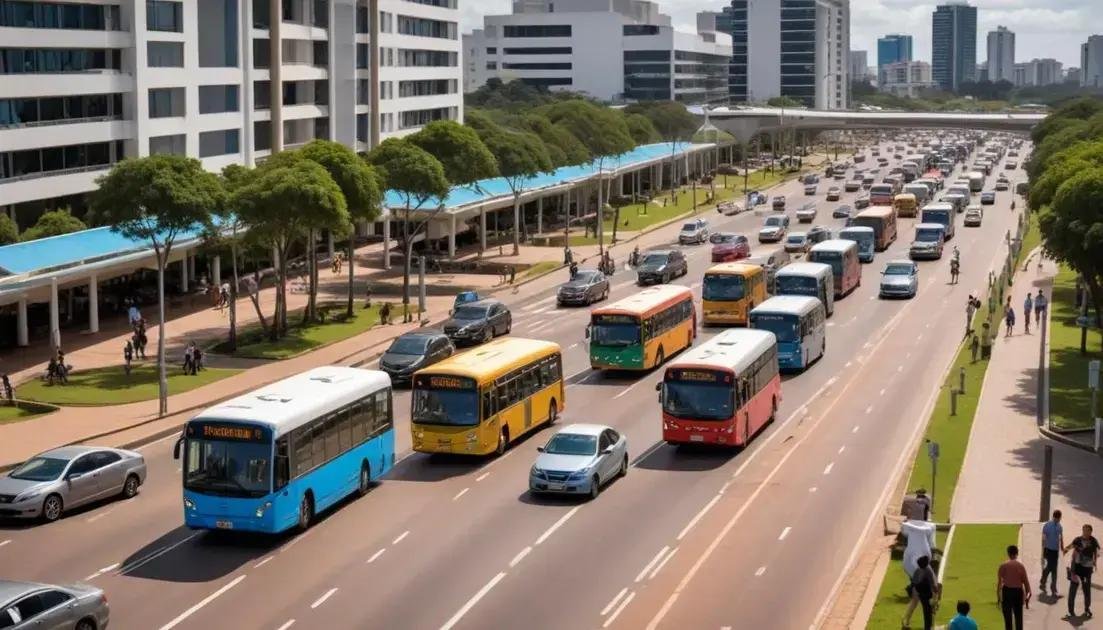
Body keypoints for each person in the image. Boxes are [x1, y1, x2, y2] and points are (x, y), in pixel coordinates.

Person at [1065, 523, 1100, 619]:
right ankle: (1071, 611)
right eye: (1084, 530)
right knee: (1072, 590)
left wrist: (1095, 561)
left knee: (1086, 590)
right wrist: (1064, 551)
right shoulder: (1077, 540)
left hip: (1087, 570)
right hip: (1076, 569)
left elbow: (1097, 551)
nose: (1085, 532)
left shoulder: (1093, 541)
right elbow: (1070, 546)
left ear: (1091, 532)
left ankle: (1087, 609)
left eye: (1087, 530)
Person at [997, 544, 1031, 630]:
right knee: (1018, 617)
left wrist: (998, 597)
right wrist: (1027, 595)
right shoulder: (1020, 566)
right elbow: (1026, 582)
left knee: (1007, 618)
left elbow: (999, 583)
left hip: (1007, 592)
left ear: (1008, 553)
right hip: (1018, 592)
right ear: (1017, 553)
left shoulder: (1003, 566)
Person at [904, 555, 939, 630]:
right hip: (924, 592)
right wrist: (936, 594)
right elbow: (933, 584)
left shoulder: (918, 569)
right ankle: (929, 627)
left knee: (914, 606)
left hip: (918, 590)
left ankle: (906, 621)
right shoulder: (927, 570)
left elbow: (914, 581)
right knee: (928, 610)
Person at [1041, 509, 1065, 596]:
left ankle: (1044, 581)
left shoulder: (1059, 526)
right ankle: (1053, 587)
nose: (1057, 520)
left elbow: (1060, 537)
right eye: (1056, 518)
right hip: (1048, 549)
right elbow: (1043, 538)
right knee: (1053, 568)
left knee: (1051, 568)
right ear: (1054, 517)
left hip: (1055, 550)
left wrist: (1062, 547)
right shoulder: (1047, 525)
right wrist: (1042, 551)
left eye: (1058, 518)